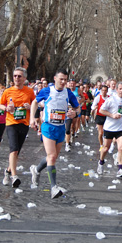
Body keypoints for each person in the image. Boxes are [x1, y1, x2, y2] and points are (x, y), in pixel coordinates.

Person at [29, 69, 79, 198]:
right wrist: (32, 119)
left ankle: (36, 169)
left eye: (65, 80)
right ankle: (54, 187)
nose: (63, 82)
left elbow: (77, 107)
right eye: (61, 79)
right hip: (48, 127)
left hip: (60, 128)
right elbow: (34, 102)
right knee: (51, 156)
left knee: (53, 157)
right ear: (55, 78)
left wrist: (75, 113)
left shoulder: (68, 93)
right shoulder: (47, 90)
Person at [0, 67, 36, 188]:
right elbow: (0, 104)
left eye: (19, 76)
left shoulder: (29, 91)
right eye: (15, 76)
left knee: (16, 152)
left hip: (24, 123)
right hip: (11, 123)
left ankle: (8, 171)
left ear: (24, 78)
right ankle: (14, 176)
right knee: (13, 149)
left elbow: (35, 105)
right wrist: (6, 108)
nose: (16, 78)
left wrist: (29, 107)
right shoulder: (7, 91)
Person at [97, 82, 122, 176]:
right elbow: (101, 110)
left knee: (121, 147)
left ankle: (120, 169)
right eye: (120, 89)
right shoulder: (111, 99)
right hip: (109, 127)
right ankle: (101, 162)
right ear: (117, 89)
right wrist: (112, 115)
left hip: (121, 128)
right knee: (105, 148)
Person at [91, 84, 109, 149]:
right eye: (103, 90)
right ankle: (101, 145)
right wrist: (94, 107)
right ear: (101, 91)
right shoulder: (98, 97)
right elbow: (92, 106)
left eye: (105, 90)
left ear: (107, 91)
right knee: (100, 133)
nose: (104, 92)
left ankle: (105, 143)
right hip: (99, 116)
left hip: (107, 117)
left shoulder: (109, 98)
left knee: (106, 132)